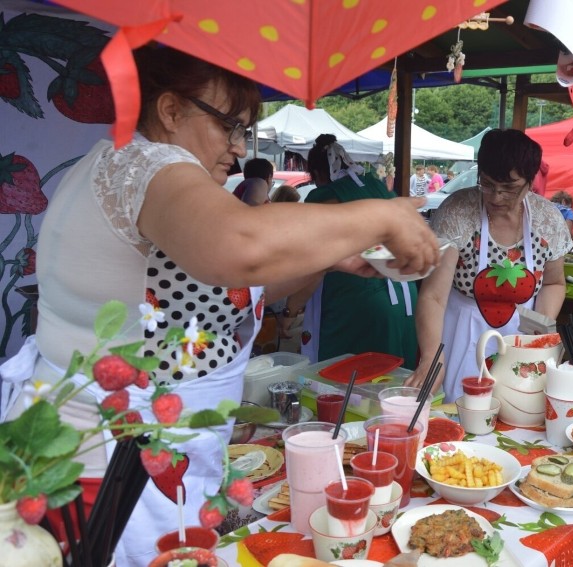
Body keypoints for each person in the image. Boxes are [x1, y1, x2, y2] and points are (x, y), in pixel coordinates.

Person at [0, 44, 438, 567]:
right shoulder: (143, 161)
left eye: (244, 131)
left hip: (155, 445)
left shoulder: (146, 175)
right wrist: (379, 215)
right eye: (228, 125)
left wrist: (329, 260)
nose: (236, 147)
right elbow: (239, 246)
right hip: (112, 454)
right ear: (170, 110)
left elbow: (226, 297)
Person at [405, 129, 573, 401]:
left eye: (509, 188)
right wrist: (431, 359)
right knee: (458, 411)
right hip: (462, 331)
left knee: (515, 410)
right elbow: (434, 295)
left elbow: (554, 283)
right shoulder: (457, 212)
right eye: (487, 184)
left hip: (520, 335)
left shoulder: (547, 220)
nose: (495, 197)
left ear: (530, 183)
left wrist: (537, 333)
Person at [283, 134, 420, 368]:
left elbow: (313, 267)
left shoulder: (324, 199)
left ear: (316, 174)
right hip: (405, 296)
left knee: (346, 379)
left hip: (359, 302)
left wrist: (289, 312)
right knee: (394, 381)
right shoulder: (376, 185)